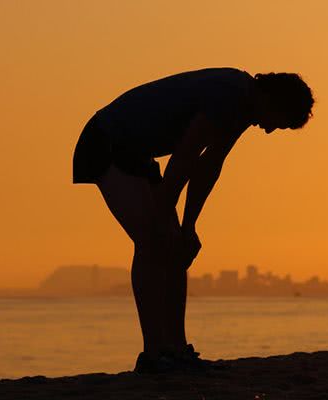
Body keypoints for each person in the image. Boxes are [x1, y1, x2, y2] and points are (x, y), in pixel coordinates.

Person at [72, 68, 314, 373]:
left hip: (136, 154)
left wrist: (188, 227)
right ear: (273, 100)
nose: (269, 131)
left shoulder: (244, 109)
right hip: (104, 142)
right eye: (278, 123)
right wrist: (165, 212)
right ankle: (153, 355)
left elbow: (209, 166)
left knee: (176, 248)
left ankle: (176, 349)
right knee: (152, 242)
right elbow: (185, 157)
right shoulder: (231, 94)